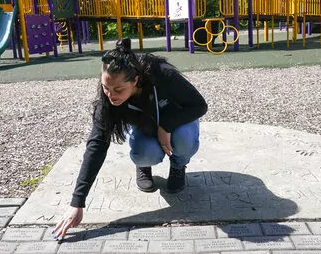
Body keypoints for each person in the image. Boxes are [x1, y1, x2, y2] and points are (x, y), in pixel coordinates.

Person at [52, 38, 208, 239]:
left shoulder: (162, 74)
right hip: (146, 129)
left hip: (178, 123)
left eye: (118, 90)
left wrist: (166, 125)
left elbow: (199, 105)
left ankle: (178, 165)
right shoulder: (107, 100)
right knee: (145, 153)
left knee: (185, 139)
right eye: (106, 87)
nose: (111, 95)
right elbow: (96, 146)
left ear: (135, 81)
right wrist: (77, 203)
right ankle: (144, 166)